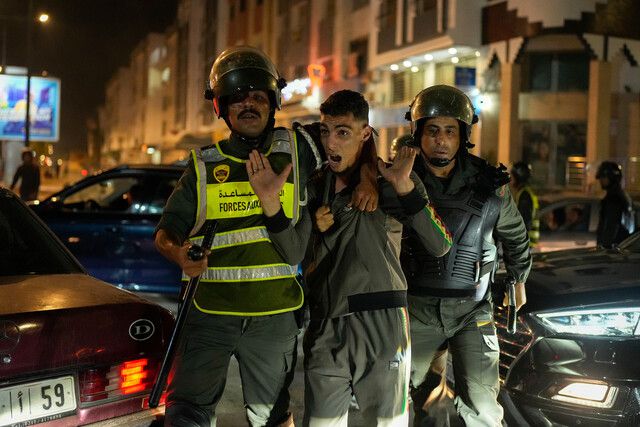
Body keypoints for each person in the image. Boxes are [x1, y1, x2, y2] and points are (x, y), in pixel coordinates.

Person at [154, 46, 376, 427]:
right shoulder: (203, 166)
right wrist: (179, 254)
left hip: (274, 320)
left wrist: (369, 177)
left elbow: (357, 140)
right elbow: (166, 231)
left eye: (258, 96)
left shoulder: (300, 147)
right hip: (210, 316)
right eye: (238, 97)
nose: (249, 104)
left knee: (272, 417)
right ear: (221, 107)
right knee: (187, 413)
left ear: (273, 102)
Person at [248, 89, 452, 426]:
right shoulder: (313, 187)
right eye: (325, 130)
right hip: (325, 325)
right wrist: (273, 205)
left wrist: (402, 186)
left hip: (382, 323)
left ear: (365, 134)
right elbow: (292, 252)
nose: (331, 142)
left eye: (343, 132)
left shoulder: (392, 180)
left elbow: (440, 244)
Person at [401, 85, 532, 426]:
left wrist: (519, 279)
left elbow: (515, 235)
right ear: (418, 133)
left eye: (450, 131)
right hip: (416, 309)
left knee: (483, 407)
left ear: (463, 136)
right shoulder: (400, 180)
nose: (441, 140)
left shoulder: (490, 184)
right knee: (422, 402)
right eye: (432, 130)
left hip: (473, 310)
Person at [596, 161, 635, 248]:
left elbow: (611, 225)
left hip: (614, 248)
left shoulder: (614, 198)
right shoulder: (621, 195)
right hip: (621, 246)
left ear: (612, 178)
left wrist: (605, 248)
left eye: (603, 177)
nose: (600, 180)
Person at [510, 161, 540, 247]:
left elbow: (524, 221)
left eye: (512, 176)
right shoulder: (524, 193)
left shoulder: (524, 195)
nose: (510, 178)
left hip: (526, 244)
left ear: (518, 177)